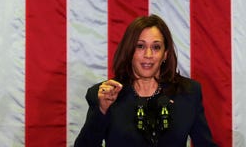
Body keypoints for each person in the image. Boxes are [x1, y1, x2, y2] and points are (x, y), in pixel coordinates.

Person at [74, 14, 217, 146]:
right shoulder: (105, 95)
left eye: (156, 47)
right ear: (129, 51)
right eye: (140, 46)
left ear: (165, 54)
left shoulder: (188, 92)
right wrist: (102, 110)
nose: (148, 54)